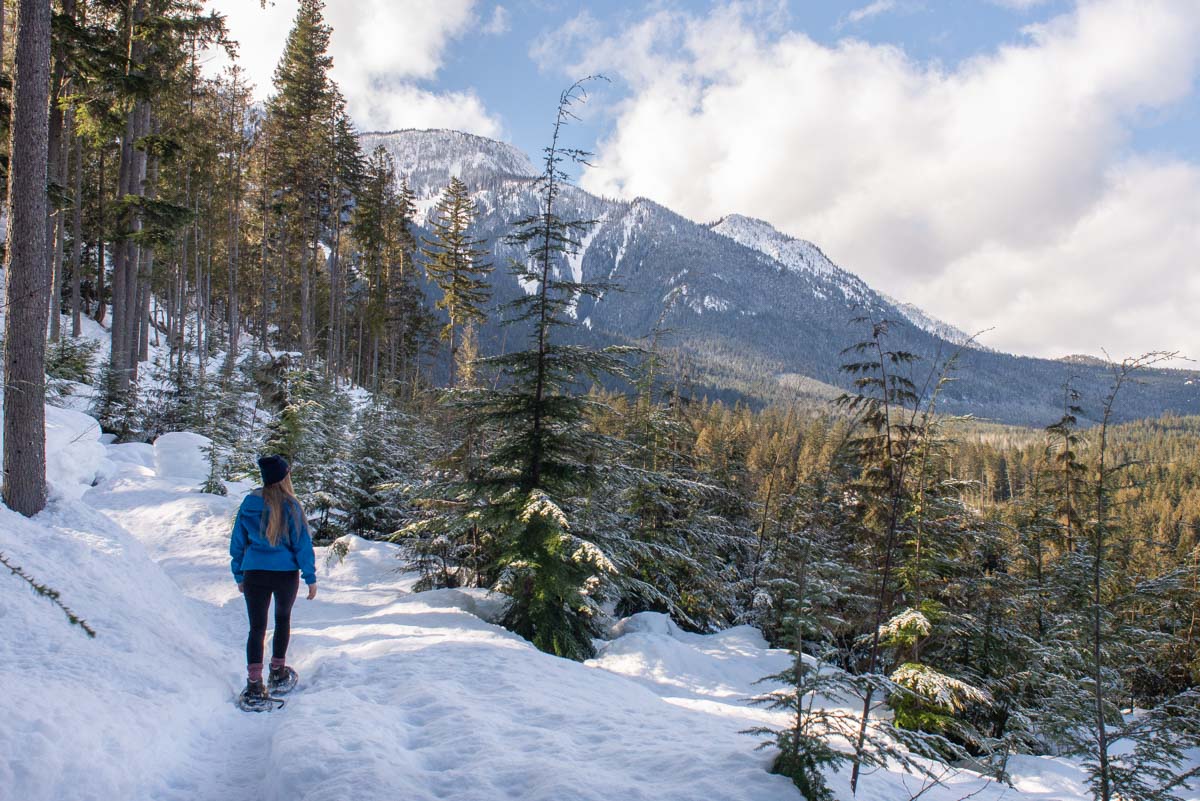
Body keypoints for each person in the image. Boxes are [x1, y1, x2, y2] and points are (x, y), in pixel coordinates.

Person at [230, 454, 317, 701]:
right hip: (285, 574)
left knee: (256, 628)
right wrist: (310, 577)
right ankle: (277, 673)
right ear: (284, 477)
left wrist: (238, 572)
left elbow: (238, 542)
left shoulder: (249, 503)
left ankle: (254, 684)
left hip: (254, 572)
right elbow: (303, 544)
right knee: (282, 620)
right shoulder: (292, 505)